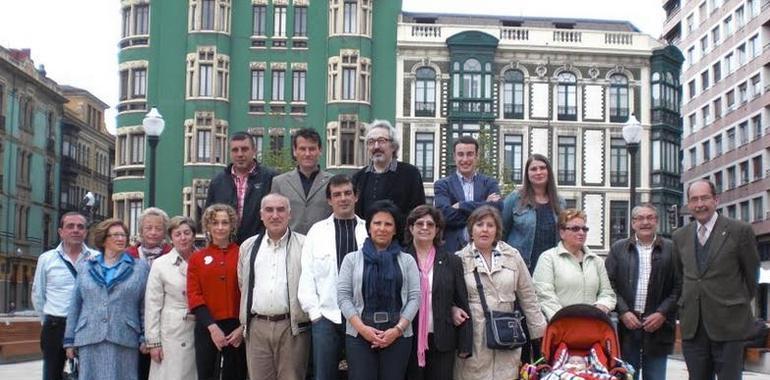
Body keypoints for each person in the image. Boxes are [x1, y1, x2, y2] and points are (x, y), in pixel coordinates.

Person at [673, 179, 760, 380]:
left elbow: (751, 277)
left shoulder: (739, 231)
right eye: (694, 199)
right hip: (693, 328)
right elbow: (681, 277)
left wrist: (734, 305)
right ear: (688, 203)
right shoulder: (680, 236)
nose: (699, 204)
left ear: (716, 200)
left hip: (729, 327)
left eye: (705, 198)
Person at [454, 205, 546, 380]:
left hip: (506, 334)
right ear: (471, 229)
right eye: (480, 224)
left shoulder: (512, 256)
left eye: (490, 225)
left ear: (497, 230)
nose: (485, 229)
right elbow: (448, 297)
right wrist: (453, 309)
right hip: (474, 337)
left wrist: (540, 335)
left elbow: (528, 296)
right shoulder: (459, 259)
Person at [337, 200, 421, 380]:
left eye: (388, 224)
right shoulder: (351, 259)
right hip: (359, 333)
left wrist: (397, 330)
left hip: (398, 334)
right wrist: (362, 329)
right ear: (369, 227)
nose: (382, 228)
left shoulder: (407, 261)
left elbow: (415, 298)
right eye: (377, 223)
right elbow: (343, 297)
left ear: (395, 229)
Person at [298, 174, 368, 380]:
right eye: (337, 195)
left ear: (356, 197)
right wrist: (315, 314)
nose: (343, 198)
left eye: (348, 193)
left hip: (361, 316)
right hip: (326, 317)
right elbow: (307, 274)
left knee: (361, 374)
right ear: (329, 200)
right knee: (324, 375)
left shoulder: (368, 231)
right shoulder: (317, 232)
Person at [63, 219, 150, 380]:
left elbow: (145, 306)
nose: (121, 239)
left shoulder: (140, 268)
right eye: (116, 235)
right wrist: (69, 341)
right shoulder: (85, 267)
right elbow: (75, 305)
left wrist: (145, 335)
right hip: (89, 337)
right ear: (103, 239)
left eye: (123, 235)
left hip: (124, 337)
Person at [237, 194, 310, 380]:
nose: (275, 215)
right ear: (261, 215)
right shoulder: (248, 246)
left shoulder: (305, 244)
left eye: (280, 210)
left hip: (292, 328)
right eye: (269, 210)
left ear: (290, 214)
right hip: (257, 327)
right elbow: (242, 284)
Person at [605, 203, 679, 380]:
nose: (645, 222)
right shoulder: (618, 248)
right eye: (640, 218)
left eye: (650, 218)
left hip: (658, 327)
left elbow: (680, 286)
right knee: (627, 376)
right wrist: (623, 311)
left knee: (655, 376)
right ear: (633, 223)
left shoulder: (672, 249)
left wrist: (662, 313)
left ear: (657, 221)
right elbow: (608, 284)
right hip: (627, 328)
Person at [403, 205, 472, 380]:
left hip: (442, 339)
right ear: (411, 228)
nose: (425, 227)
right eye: (419, 223)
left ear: (437, 230)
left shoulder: (452, 261)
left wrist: (465, 344)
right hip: (408, 339)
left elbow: (462, 301)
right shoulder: (400, 258)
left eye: (430, 224)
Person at [32, 212, 97, 380]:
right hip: (55, 326)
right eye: (70, 226)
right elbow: (38, 294)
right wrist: (47, 321)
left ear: (86, 232)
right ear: (61, 231)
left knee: (88, 374)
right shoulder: (47, 259)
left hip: (87, 327)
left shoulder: (96, 259)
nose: (76, 230)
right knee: (52, 375)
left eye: (80, 227)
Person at [187, 204, 247, 380]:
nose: (220, 227)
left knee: (236, 374)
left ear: (232, 226)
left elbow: (251, 290)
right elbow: (194, 294)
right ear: (208, 226)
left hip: (236, 328)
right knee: (206, 374)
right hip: (208, 326)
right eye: (215, 223)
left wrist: (242, 328)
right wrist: (212, 328)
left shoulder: (243, 253)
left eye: (225, 223)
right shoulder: (197, 258)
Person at [532, 209, 616, 321]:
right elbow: (544, 295)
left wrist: (602, 307)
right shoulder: (548, 258)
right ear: (562, 233)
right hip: (561, 326)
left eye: (584, 229)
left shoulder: (596, 260)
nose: (581, 233)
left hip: (593, 325)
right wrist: (564, 319)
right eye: (575, 229)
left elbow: (607, 293)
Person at [144, 216, 199, 380]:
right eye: (178, 234)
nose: (183, 238)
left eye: (187, 233)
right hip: (171, 333)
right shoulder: (160, 264)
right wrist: (153, 343)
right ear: (171, 238)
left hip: (198, 330)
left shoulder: (203, 259)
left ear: (194, 235)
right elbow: (152, 305)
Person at [434, 136, 502, 253]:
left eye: (470, 154)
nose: (465, 159)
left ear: (477, 156)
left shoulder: (490, 183)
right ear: (454, 157)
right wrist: (485, 206)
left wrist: (462, 205)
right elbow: (444, 216)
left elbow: (497, 209)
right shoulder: (442, 185)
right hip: (453, 251)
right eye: (460, 154)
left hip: (485, 250)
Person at [126, 207, 172, 380]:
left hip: (165, 326)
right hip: (133, 326)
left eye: (158, 228)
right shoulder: (127, 257)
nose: (153, 232)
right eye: (148, 228)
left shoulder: (173, 256)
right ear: (140, 230)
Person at [206, 132, 277, 244]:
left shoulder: (270, 179)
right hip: (226, 247)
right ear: (229, 153)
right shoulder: (217, 182)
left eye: (244, 149)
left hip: (260, 245)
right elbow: (209, 218)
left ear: (254, 151)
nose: (240, 154)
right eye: (235, 150)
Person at [352, 120, 426, 223]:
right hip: (365, 237)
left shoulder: (410, 174)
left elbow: (418, 213)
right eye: (371, 142)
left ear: (393, 146)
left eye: (381, 141)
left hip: (399, 238)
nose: (376, 146)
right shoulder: (358, 178)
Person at [502, 154, 564, 272]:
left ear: (548, 172)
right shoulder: (515, 199)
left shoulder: (560, 202)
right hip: (520, 267)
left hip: (550, 268)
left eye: (542, 168)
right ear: (527, 174)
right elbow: (501, 231)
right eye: (533, 169)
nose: (538, 172)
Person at [271, 128, 333, 234]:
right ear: (295, 151)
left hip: (322, 244)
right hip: (290, 244)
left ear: (320, 151)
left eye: (312, 149)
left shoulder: (332, 182)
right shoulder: (279, 183)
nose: (307, 154)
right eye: (302, 149)